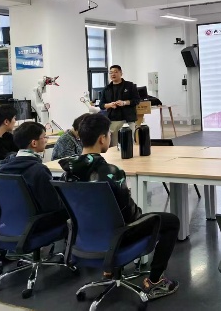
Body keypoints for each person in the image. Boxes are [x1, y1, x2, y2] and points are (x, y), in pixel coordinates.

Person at [59, 113, 179, 300]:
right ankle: (155, 281)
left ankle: (109, 271)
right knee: (170, 221)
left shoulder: (67, 174)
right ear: (102, 139)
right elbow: (129, 215)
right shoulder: (111, 173)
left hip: (85, 237)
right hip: (116, 238)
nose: (110, 137)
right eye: (109, 134)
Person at [0, 122, 64, 213]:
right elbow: (53, 206)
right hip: (41, 218)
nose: (46, 140)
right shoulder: (39, 170)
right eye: (44, 137)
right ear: (34, 143)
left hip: (15, 215)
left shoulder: (5, 165)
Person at [99, 65, 140, 147]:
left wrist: (124, 103)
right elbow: (101, 105)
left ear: (121, 73)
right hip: (113, 120)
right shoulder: (106, 88)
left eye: (115, 72)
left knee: (128, 144)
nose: (113, 74)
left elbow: (137, 100)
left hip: (128, 119)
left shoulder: (130, 86)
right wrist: (110, 105)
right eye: (111, 73)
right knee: (114, 145)